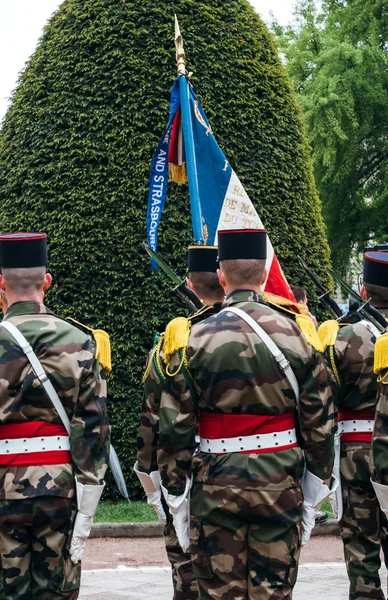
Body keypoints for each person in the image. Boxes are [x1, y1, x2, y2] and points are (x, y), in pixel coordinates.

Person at [157, 229, 335, 600]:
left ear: (221, 276)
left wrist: (177, 495)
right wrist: (313, 490)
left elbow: (174, 430)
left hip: (216, 482)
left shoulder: (193, 337)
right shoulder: (299, 333)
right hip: (279, 477)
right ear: (264, 272)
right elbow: (321, 423)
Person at [0, 232, 110, 600]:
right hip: (60, 489)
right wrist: (86, 509)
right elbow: (94, 432)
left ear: (1, 283)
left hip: (0, 490)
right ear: (46, 281)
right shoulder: (83, 340)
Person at [136, 245, 224, 600]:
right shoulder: (274, 328)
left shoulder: (175, 342)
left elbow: (153, 418)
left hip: (189, 473)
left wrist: (154, 478)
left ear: (189, 283)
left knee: (187, 571)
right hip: (259, 470)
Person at [326, 249, 388, 600]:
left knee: (362, 544)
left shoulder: (344, 338)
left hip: (358, 453)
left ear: (364, 291)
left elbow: (323, 401)